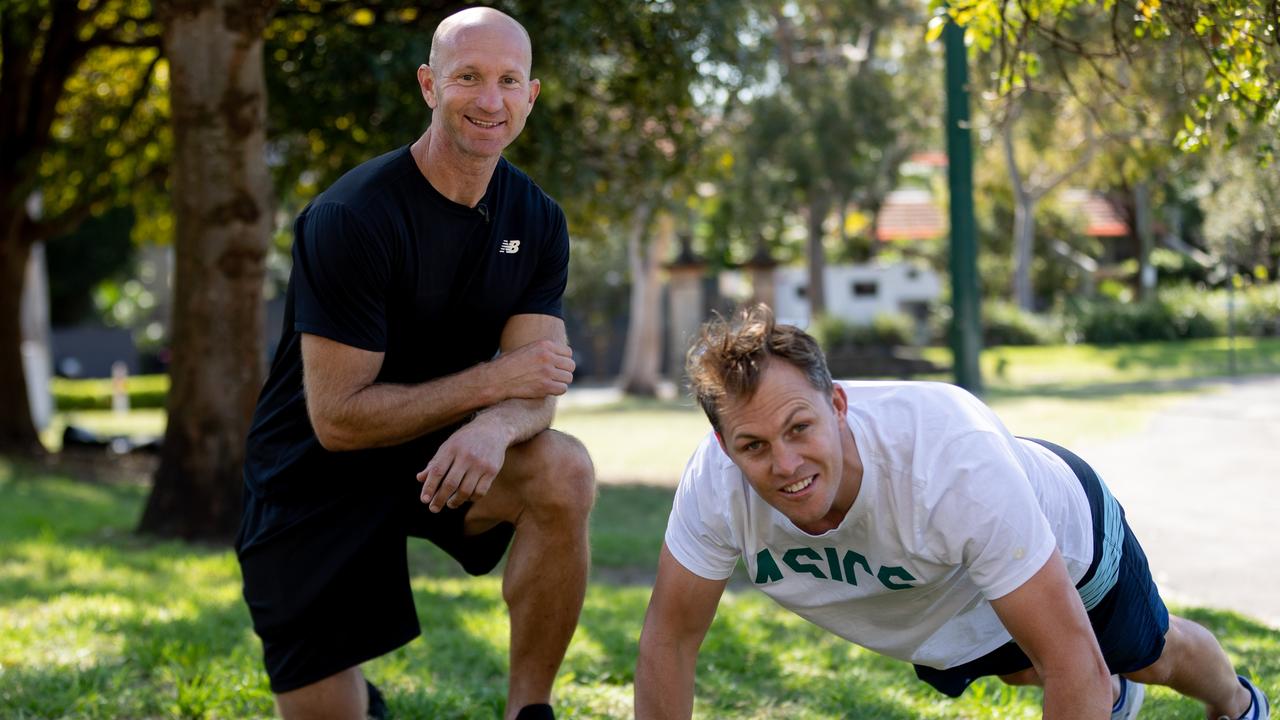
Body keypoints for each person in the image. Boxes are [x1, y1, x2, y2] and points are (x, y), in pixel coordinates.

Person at [635, 304, 1270, 720]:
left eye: (800, 427)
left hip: (1065, 536)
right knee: (1027, 672)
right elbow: (670, 640)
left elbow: (1070, 658)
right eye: (754, 446)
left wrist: (1084, 678)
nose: (786, 464)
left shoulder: (949, 464)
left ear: (838, 405)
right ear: (724, 447)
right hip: (943, 588)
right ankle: (1110, 696)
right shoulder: (713, 487)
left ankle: (1240, 705)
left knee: (1147, 654)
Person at [236, 8, 593, 720]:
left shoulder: (538, 220)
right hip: (313, 473)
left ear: (531, 96)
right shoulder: (352, 217)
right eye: (467, 77)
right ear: (430, 85)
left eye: (507, 80)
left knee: (563, 467)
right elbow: (337, 420)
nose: (489, 100)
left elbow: (539, 384)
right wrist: (495, 384)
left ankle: (532, 711)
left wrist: (494, 427)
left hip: (443, 455)